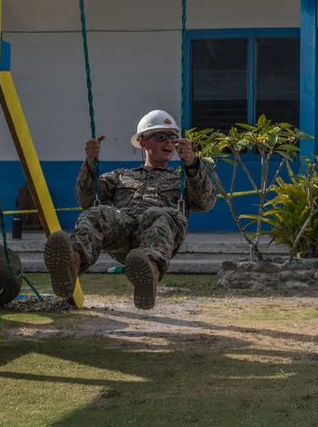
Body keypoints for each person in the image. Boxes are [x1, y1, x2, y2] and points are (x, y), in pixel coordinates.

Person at [44, 109, 216, 310]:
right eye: (160, 137)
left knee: (156, 214)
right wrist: (90, 163)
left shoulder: (181, 180)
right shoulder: (121, 175)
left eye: (172, 138)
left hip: (158, 232)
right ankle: (71, 263)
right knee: (98, 213)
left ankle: (148, 273)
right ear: (143, 143)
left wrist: (192, 164)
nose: (168, 142)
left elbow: (205, 203)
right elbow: (86, 198)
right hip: (123, 228)